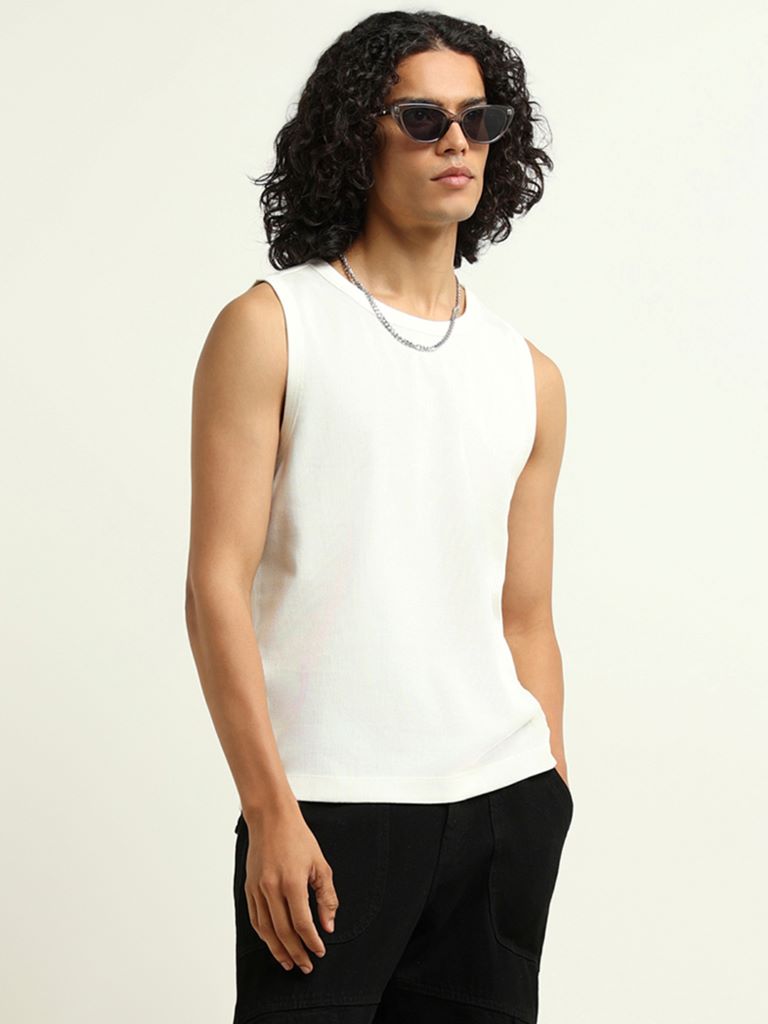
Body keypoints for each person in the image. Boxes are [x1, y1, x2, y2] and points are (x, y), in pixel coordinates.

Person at [185, 10, 573, 1023]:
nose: (458, 142)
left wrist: (550, 791)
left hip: (502, 811)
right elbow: (215, 584)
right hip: (328, 809)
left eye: (479, 120)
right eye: (423, 117)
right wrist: (270, 810)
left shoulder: (528, 374)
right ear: (356, 135)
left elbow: (526, 614)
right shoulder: (274, 327)